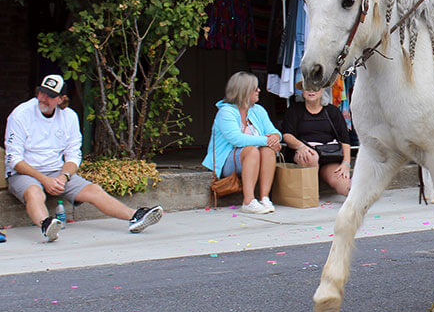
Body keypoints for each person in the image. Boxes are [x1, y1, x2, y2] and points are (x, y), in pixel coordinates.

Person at [4, 75, 163, 242]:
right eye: (41, 93)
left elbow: (73, 155)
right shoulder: (20, 115)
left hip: (57, 172)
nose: (43, 99)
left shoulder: (69, 117)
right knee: (34, 192)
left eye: (49, 96)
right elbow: (14, 159)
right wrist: (44, 180)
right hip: (25, 173)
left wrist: (63, 177)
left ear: (61, 99)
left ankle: (136, 216)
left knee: (93, 190)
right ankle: (46, 225)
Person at [202, 71, 282, 213]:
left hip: (252, 158)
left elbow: (274, 131)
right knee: (251, 150)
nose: (259, 90)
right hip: (226, 160)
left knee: (267, 150)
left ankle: (264, 198)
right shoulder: (225, 112)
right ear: (244, 91)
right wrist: (267, 140)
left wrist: (275, 137)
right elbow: (237, 139)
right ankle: (248, 201)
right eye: (255, 88)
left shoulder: (258, 110)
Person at [281, 83, 351, 196]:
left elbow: (345, 140)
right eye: (307, 87)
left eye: (316, 88)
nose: (311, 91)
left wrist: (346, 163)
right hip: (305, 153)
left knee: (341, 180)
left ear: (323, 90)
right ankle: (311, 195)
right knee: (310, 156)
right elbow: (287, 135)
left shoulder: (332, 111)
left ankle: (355, 199)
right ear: (302, 91)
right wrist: (301, 146)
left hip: (329, 155)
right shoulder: (294, 110)